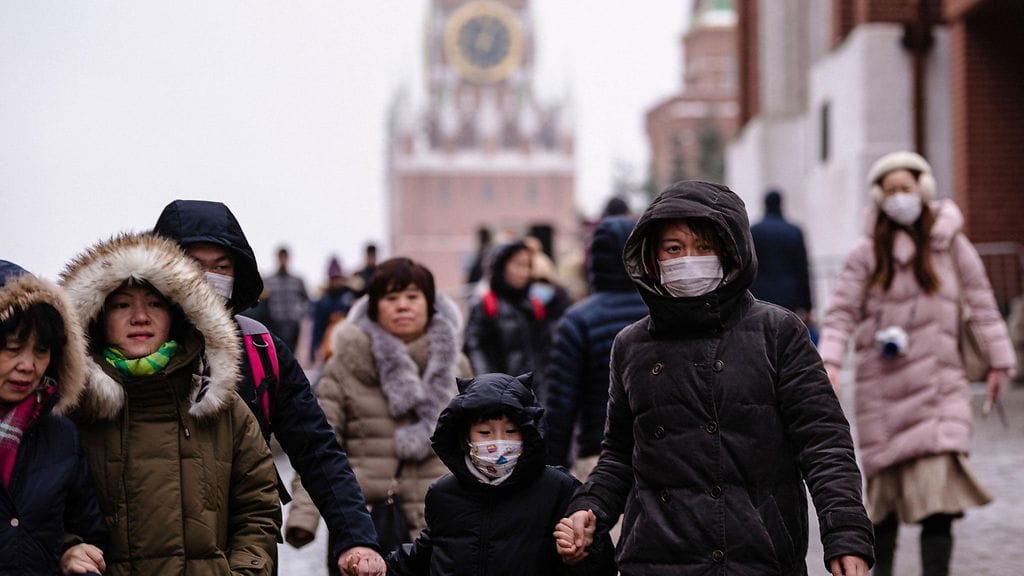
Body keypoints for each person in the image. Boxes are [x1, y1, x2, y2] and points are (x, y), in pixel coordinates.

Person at [556, 181, 874, 576]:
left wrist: (845, 532)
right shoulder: (631, 345)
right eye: (674, 248)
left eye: (704, 247)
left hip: (758, 556)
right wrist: (590, 509)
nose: (689, 259)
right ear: (652, 258)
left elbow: (823, 442)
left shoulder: (778, 333)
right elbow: (620, 455)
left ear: (729, 253)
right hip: (656, 559)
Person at [152, 200, 384, 576]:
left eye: (222, 267)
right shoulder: (124, 352)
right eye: (194, 265)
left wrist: (355, 535)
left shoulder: (260, 350)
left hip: (244, 553)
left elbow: (318, 450)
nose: (209, 277)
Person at [819, 151, 1015, 576]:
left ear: (923, 189)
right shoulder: (865, 252)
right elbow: (840, 314)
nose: (899, 198)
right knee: (882, 513)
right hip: (882, 393)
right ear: (878, 198)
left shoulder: (951, 244)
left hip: (939, 387)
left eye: (906, 188)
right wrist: (830, 361)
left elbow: (982, 304)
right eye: (890, 191)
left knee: (939, 505)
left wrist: (1000, 362)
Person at [59, 233, 280, 574]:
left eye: (155, 303)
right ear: (97, 317)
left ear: (177, 315)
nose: (140, 317)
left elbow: (258, 510)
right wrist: (68, 549)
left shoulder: (220, 407)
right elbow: (40, 510)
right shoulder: (70, 413)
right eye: (122, 305)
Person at [285, 257, 471, 573]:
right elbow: (319, 445)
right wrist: (304, 516)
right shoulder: (345, 363)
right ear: (374, 306)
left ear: (430, 304)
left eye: (412, 297)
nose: (403, 306)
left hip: (440, 525)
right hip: (366, 527)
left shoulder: (455, 365)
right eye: (391, 298)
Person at [386, 372, 615, 576]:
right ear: (465, 437)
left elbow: (600, 564)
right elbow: (423, 554)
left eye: (511, 431)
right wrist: (377, 565)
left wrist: (585, 549)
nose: (498, 442)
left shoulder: (558, 489)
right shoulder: (444, 493)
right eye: (484, 432)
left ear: (528, 434)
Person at [0, 261, 107, 576]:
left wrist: (72, 549)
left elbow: (87, 529)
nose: (28, 365)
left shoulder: (61, 436)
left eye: (41, 351)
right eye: (12, 348)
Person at [541, 216, 648, 480]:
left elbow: (561, 407)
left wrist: (551, 472)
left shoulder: (577, 320)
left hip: (599, 457)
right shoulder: (662, 313)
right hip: (661, 456)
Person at [463, 240, 550, 377]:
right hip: (501, 391)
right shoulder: (486, 305)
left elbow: (545, 354)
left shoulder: (533, 305)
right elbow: (475, 350)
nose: (524, 272)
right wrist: (490, 386)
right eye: (518, 265)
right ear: (501, 266)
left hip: (534, 391)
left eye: (528, 266)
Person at [749, 189, 813, 323]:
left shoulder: (754, 231)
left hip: (760, 294)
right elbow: (802, 270)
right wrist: (808, 306)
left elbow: (749, 267)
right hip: (789, 296)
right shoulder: (794, 231)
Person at [311, 257, 356, 364]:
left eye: (337, 278)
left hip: (348, 343)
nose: (336, 281)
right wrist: (314, 349)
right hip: (328, 346)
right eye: (333, 278)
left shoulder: (350, 297)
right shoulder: (322, 301)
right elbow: (317, 327)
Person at [263, 246, 308, 353]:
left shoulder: (297, 280)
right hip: (274, 325)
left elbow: (306, 300)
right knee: (276, 354)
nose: (283, 260)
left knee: (291, 355)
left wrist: (299, 314)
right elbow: (264, 303)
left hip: (293, 326)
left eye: (285, 257)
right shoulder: (268, 280)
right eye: (281, 257)